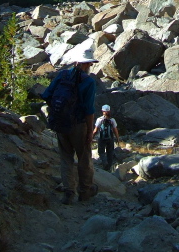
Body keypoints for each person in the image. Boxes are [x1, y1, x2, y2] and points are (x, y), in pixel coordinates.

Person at [41, 47, 98, 204]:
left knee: (66, 157)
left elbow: (47, 95)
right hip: (79, 124)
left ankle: (68, 192)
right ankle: (85, 192)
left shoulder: (63, 75)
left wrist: (57, 112)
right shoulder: (89, 82)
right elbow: (89, 109)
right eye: (90, 64)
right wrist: (90, 132)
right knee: (84, 158)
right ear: (85, 64)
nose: (90, 67)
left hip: (60, 122)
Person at [93, 104, 120, 172]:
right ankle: (109, 167)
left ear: (102, 111)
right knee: (110, 152)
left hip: (101, 138)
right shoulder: (112, 120)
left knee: (101, 152)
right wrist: (117, 138)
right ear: (109, 110)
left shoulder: (99, 119)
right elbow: (115, 130)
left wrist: (91, 137)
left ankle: (105, 163)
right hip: (110, 138)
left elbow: (95, 130)